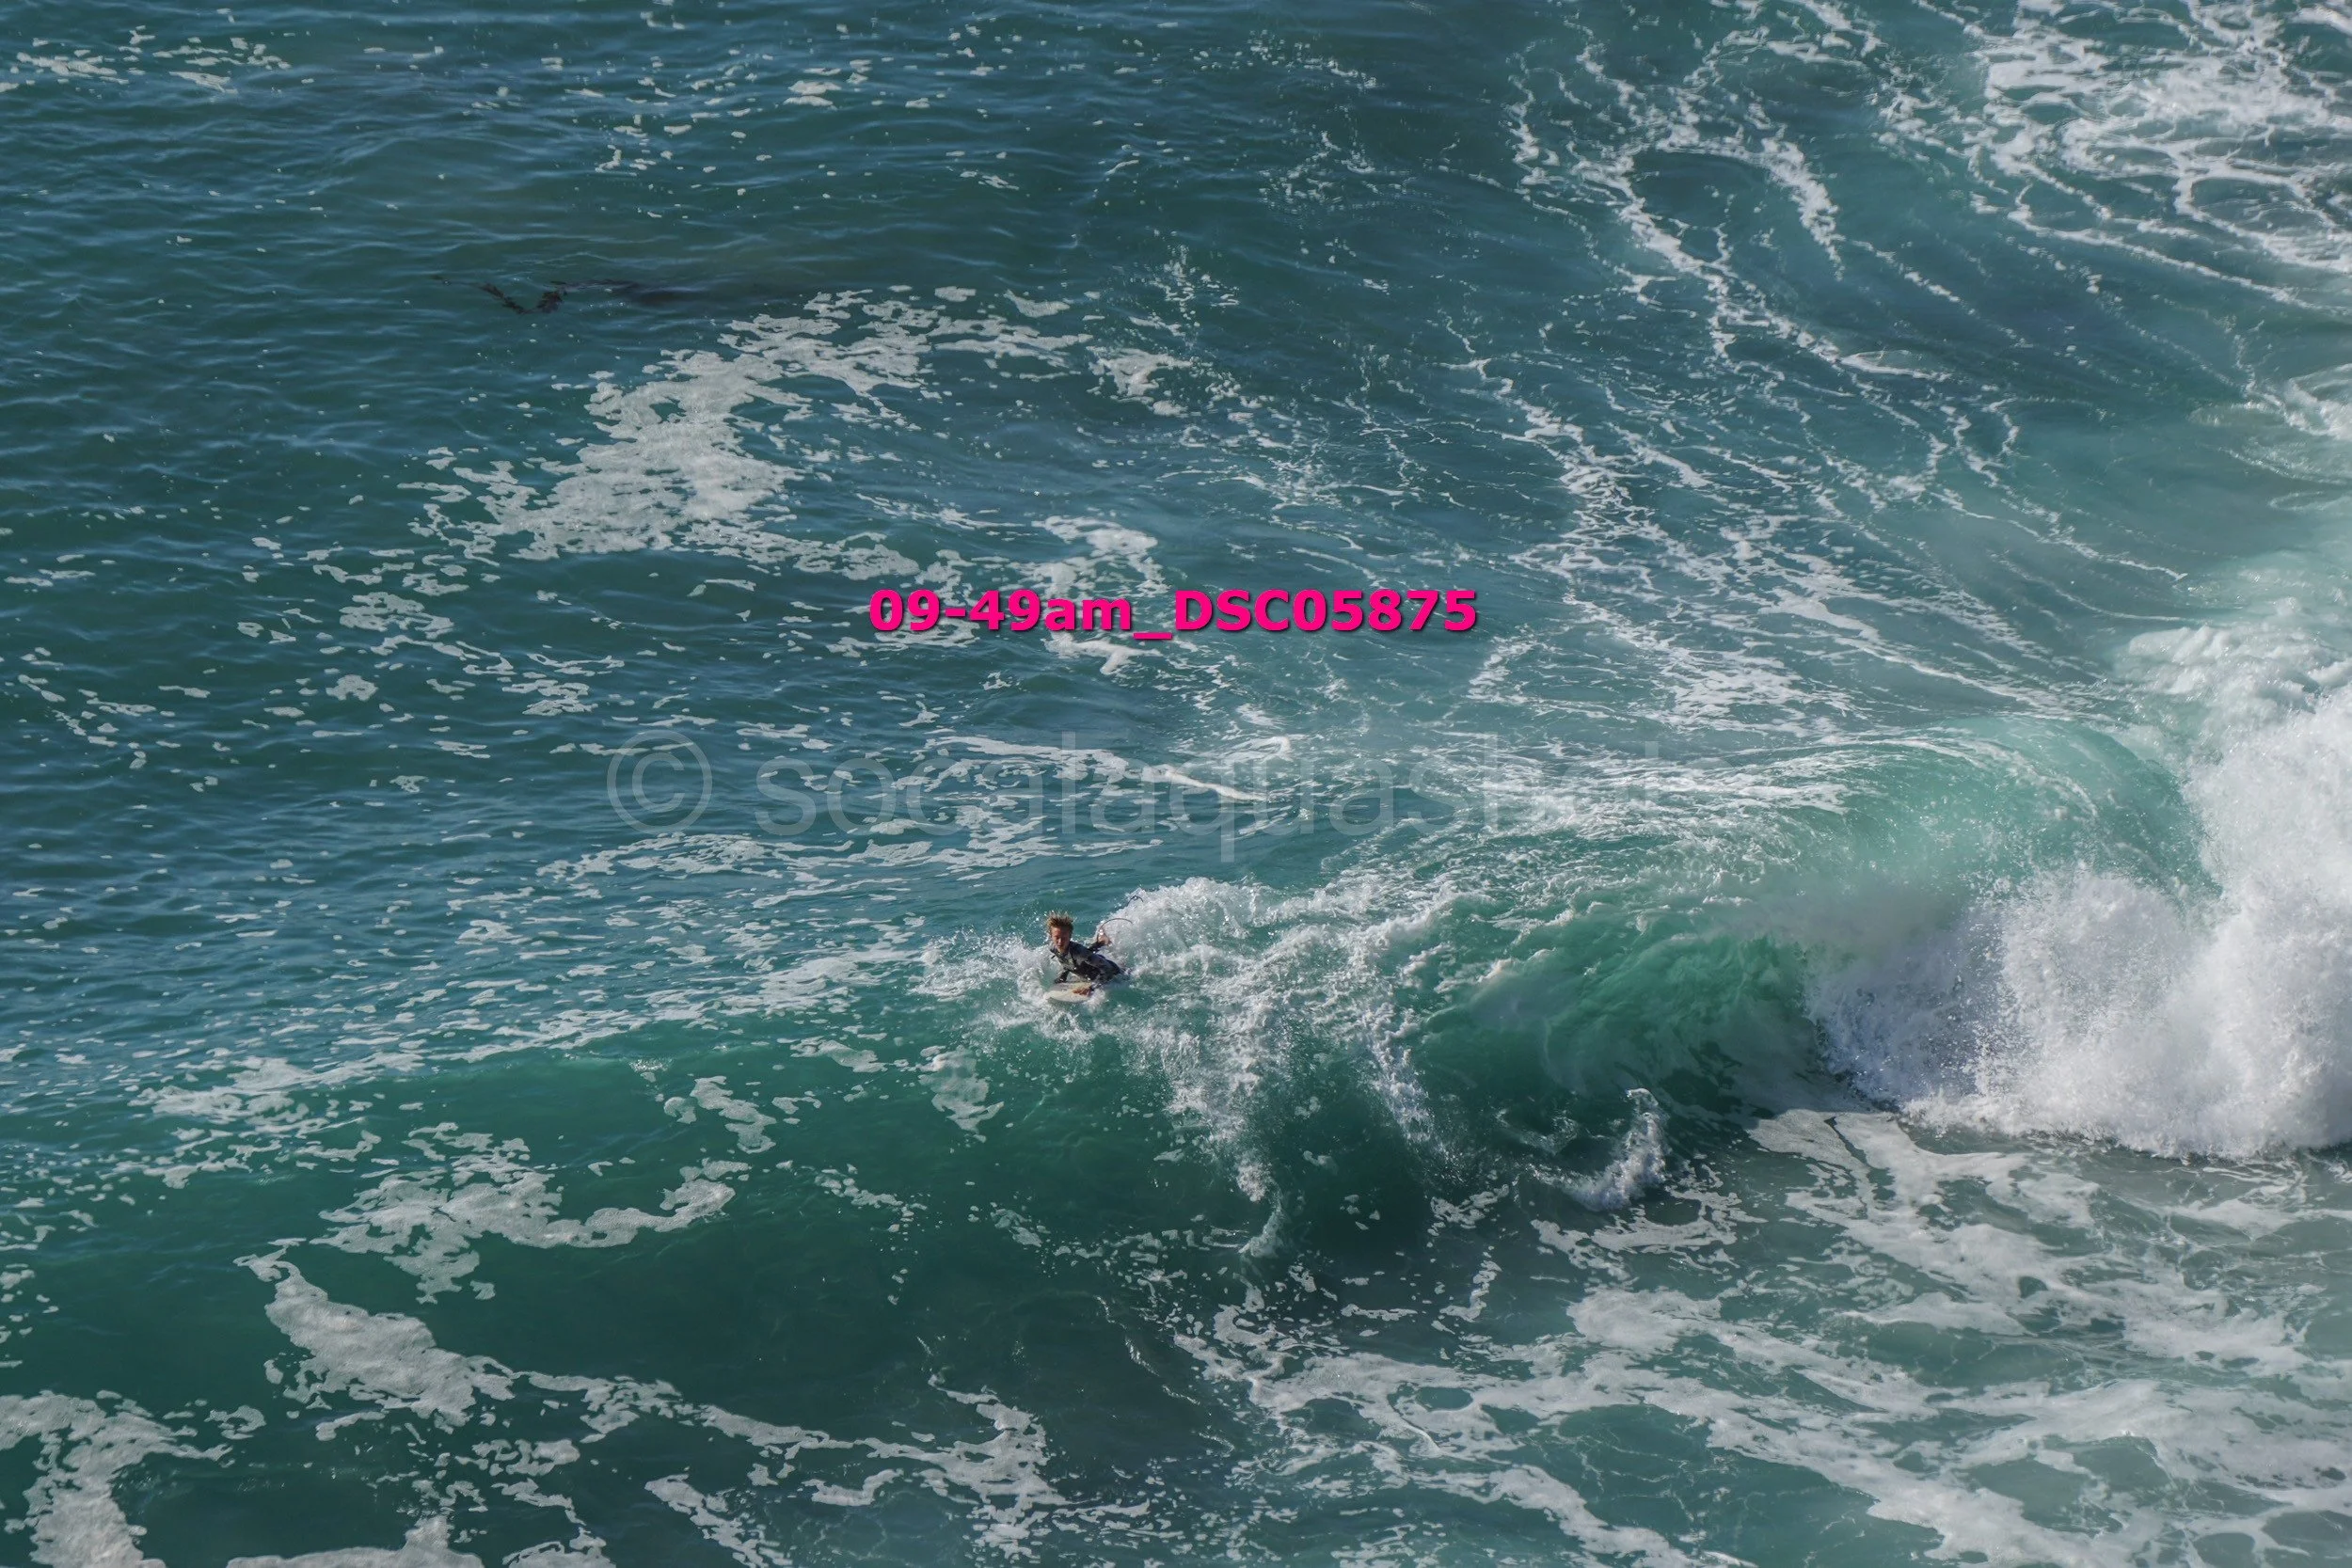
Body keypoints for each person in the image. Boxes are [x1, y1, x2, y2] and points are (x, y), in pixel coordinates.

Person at [1045, 912, 1122, 991]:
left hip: (1115, 973)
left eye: (1064, 938)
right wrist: (1063, 976)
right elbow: (1065, 961)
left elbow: (1107, 968)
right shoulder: (1053, 948)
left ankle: (1102, 942)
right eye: (1057, 937)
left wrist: (1092, 987)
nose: (1060, 942)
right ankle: (1101, 942)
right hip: (1091, 962)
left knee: (1082, 954)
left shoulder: (1079, 953)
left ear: (1070, 936)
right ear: (1051, 936)